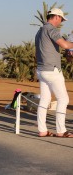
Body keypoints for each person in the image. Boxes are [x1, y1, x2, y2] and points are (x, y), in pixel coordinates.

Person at [35, 8, 73, 137]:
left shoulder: (39, 31)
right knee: (63, 99)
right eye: (61, 19)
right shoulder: (51, 29)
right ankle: (61, 131)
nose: (61, 22)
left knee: (44, 100)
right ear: (56, 17)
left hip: (41, 70)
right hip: (52, 70)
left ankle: (42, 130)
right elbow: (65, 45)